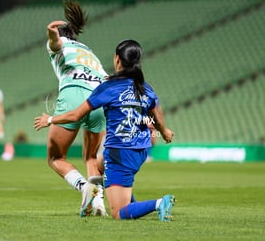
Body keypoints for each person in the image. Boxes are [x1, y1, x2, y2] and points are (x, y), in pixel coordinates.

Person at [35, 39, 176, 221]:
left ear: (117, 59)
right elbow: (156, 118)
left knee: (119, 212)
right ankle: (95, 192)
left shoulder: (108, 88)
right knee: (97, 166)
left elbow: (76, 115)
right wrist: (164, 132)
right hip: (139, 150)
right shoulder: (146, 88)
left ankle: (159, 203)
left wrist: (51, 119)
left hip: (120, 153)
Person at [43, 0, 108, 217]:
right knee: (90, 157)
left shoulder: (61, 43)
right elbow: (106, 78)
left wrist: (50, 32)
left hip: (73, 94)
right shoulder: (90, 52)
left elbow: (54, 42)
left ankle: (84, 187)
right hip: (99, 98)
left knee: (55, 158)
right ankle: (99, 203)